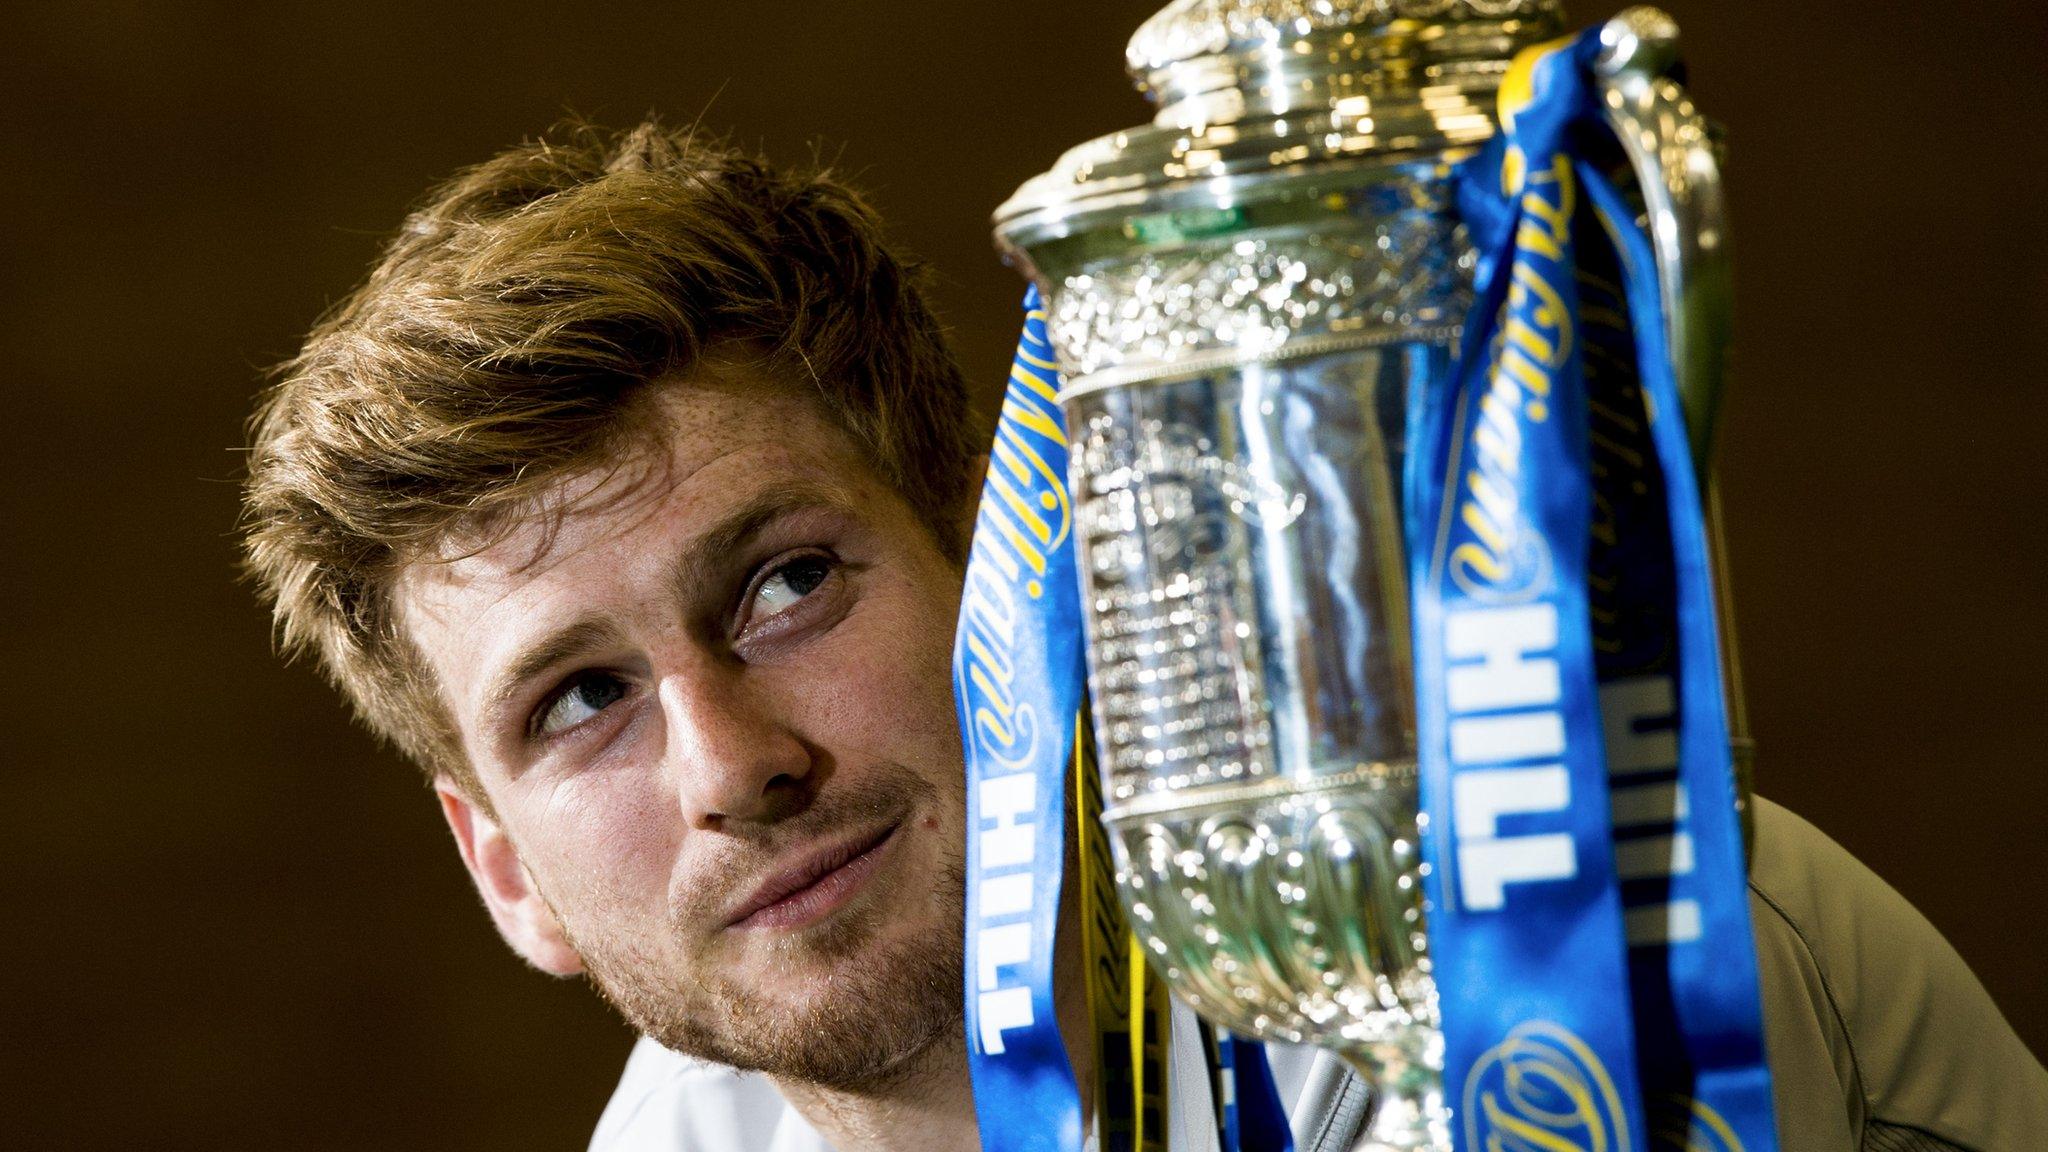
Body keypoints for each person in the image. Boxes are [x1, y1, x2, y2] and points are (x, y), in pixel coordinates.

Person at [241, 120, 2044, 1152]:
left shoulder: (1529, 949)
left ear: (1017, 561)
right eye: (577, 701)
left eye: (785, 585)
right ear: (505, 873)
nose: (734, 767)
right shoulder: (694, 1134)